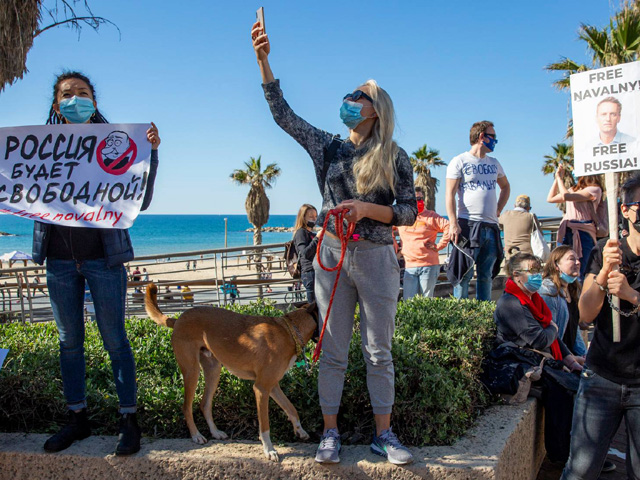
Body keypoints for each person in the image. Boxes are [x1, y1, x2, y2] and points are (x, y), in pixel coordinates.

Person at [252, 20, 417, 465]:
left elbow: (409, 212)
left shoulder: (395, 156)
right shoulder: (327, 148)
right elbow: (283, 115)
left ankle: (385, 436)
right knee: (333, 351)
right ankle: (330, 433)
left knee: (379, 351)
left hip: (378, 259)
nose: (350, 99)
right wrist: (265, 62)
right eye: (351, 93)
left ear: (375, 109)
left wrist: (367, 211)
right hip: (330, 257)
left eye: (359, 95)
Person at [33, 71, 160, 455]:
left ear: (94, 101)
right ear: (57, 105)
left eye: (83, 93)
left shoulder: (118, 145)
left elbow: (142, 199)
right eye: (67, 95)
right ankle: (77, 419)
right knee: (68, 342)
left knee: (115, 340)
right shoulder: (38, 147)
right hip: (57, 260)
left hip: (104, 260)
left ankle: (128, 420)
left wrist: (152, 152)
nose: (75, 100)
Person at [561, 174, 640, 479]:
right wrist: (605, 271)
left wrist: (631, 295)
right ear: (624, 210)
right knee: (580, 469)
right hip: (602, 377)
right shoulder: (603, 252)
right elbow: (585, 314)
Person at [493, 253, 583, 464]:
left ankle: (579, 451)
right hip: (521, 363)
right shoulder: (511, 302)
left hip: (536, 359)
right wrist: (553, 328)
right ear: (516, 275)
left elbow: (551, 337)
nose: (537, 275)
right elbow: (540, 339)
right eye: (531, 271)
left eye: (538, 269)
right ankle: (563, 456)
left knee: (579, 381)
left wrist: (570, 359)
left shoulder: (533, 299)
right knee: (565, 390)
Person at [445, 121, 510, 300]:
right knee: (463, 274)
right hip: (468, 224)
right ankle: (461, 316)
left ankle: (484, 315)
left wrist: (499, 208)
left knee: (486, 275)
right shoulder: (459, 161)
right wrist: (453, 223)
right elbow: (449, 194)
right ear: (482, 137)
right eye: (493, 136)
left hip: (491, 225)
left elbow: (505, 187)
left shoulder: (494, 163)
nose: (495, 140)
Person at [547, 166, 603, 279]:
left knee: (581, 268)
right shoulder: (574, 189)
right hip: (567, 230)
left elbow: (566, 196)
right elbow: (550, 198)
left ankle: (580, 294)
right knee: (562, 267)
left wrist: (560, 179)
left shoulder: (594, 190)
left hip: (583, 231)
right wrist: (557, 179)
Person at [397, 187, 450, 299]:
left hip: (429, 265)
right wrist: (395, 246)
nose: (418, 201)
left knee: (426, 301)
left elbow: (448, 226)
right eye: (415, 199)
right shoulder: (403, 217)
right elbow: (387, 229)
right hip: (409, 266)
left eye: (420, 198)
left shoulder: (431, 216)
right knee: (409, 302)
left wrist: (439, 246)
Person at [539, 246, 587, 359]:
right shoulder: (548, 291)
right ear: (556, 265)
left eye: (578, 259)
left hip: (571, 355)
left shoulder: (573, 289)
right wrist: (571, 359)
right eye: (571, 259)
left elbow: (575, 330)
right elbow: (551, 334)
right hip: (558, 357)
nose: (578, 262)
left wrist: (584, 355)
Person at [499, 195, 542, 259]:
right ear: (528, 208)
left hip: (509, 253)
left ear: (514, 205)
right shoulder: (531, 217)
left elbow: (498, 225)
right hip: (526, 255)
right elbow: (540, 234)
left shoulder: (505, 214)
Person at [292, 204, 319, 303]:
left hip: (317, 271)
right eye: (311, 217)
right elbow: (305, 253)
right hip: (309, 272)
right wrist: (317, 239)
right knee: (313, 306)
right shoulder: (301, 233)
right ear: (303, 218)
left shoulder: (311, 234)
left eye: (316, 216)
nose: (314, 219)